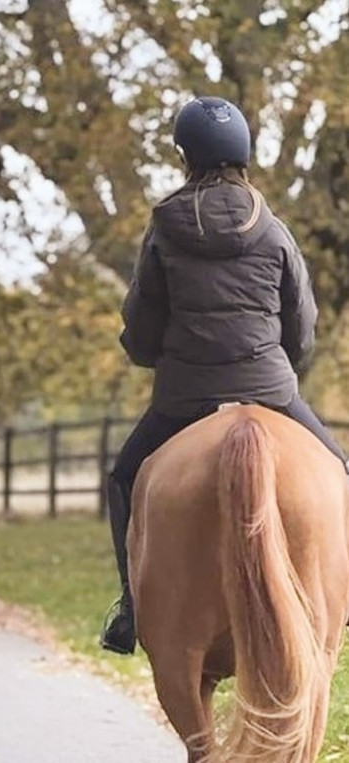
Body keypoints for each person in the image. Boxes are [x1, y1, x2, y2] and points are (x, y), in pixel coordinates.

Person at [100, 96, 348, 656]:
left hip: (184, 396)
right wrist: (279, 368)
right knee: (339, 468)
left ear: (184, 154)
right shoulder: (274, 229)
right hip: (269, 388)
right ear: (244, 152)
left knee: (123, 479)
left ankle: (130, 608)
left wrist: (149, 353)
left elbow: (141, 326)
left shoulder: (163, 229)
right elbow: (302, 326)